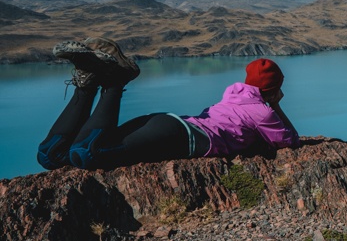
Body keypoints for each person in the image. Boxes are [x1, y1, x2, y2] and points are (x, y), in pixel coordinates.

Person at [37, 37, 299, 171]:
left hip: (166, 124)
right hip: (177, 135)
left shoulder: (235, 92)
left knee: (51, 156)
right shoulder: (262, 111)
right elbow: (290, 141)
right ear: (273, 89)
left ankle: (88, 82)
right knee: (87, 154)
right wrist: (275, 105)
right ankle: (114, 82)